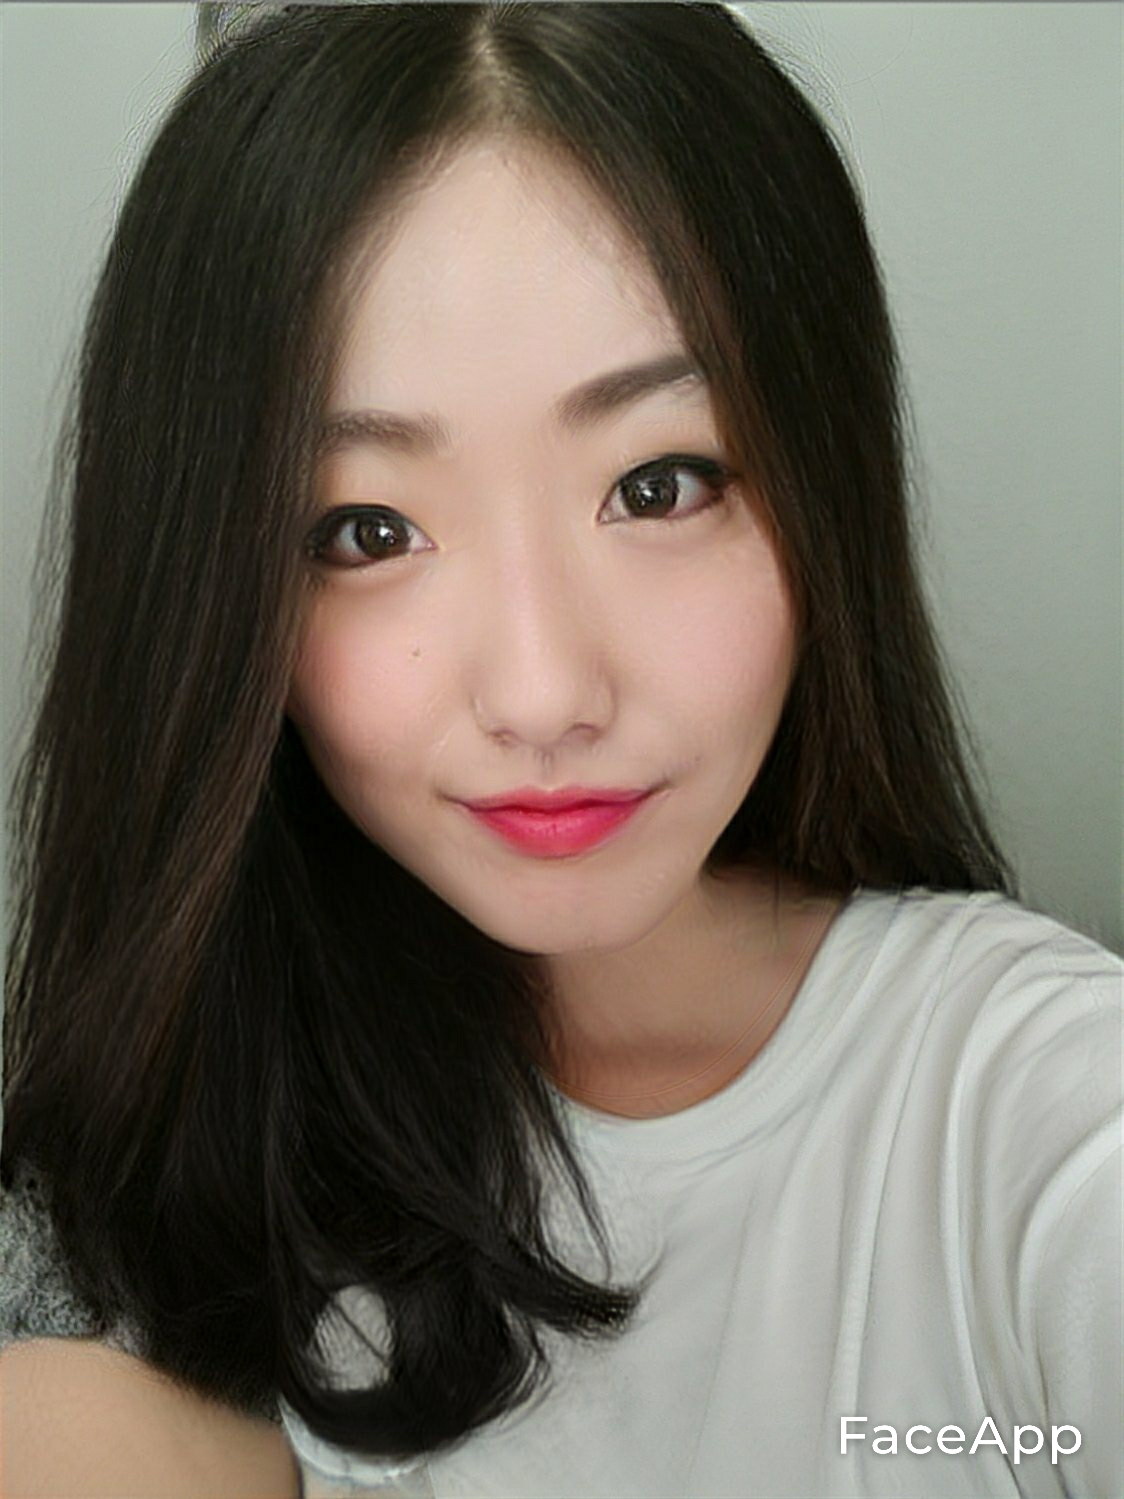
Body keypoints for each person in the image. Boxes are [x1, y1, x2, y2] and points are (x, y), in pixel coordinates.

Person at [1, 4, 1120, 1497]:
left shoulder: (1038, 1110)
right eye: (368, 530)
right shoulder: (132, 1245)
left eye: (659, 485)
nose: (542, 694)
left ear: (824, 487)